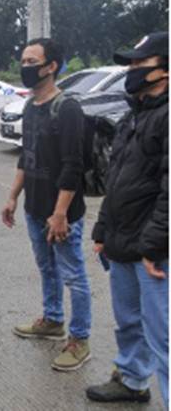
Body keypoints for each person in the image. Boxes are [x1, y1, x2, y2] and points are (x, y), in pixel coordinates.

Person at [86, 32, 168, 405]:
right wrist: (104, 228)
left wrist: (155, 244)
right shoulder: (135, 115)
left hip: (154, 249)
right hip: (124, 241)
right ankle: (133, 380)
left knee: (163, 336)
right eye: (130, 64)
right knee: (130, 323)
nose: (131, 71)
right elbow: (117, 180)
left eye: (140, 64)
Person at [2, 38, 93, 372]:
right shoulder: (30, 107)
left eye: (32, 61)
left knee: (74, 275)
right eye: (23, 60)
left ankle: (79, 338)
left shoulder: (67, 108)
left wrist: (60, 213)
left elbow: (73, 166)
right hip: (34, 207)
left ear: (51, 66)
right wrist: (13, 196)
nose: (25, 66)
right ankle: (53, 319)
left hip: (62, 212)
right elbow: (26, 157)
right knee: (47, 268)